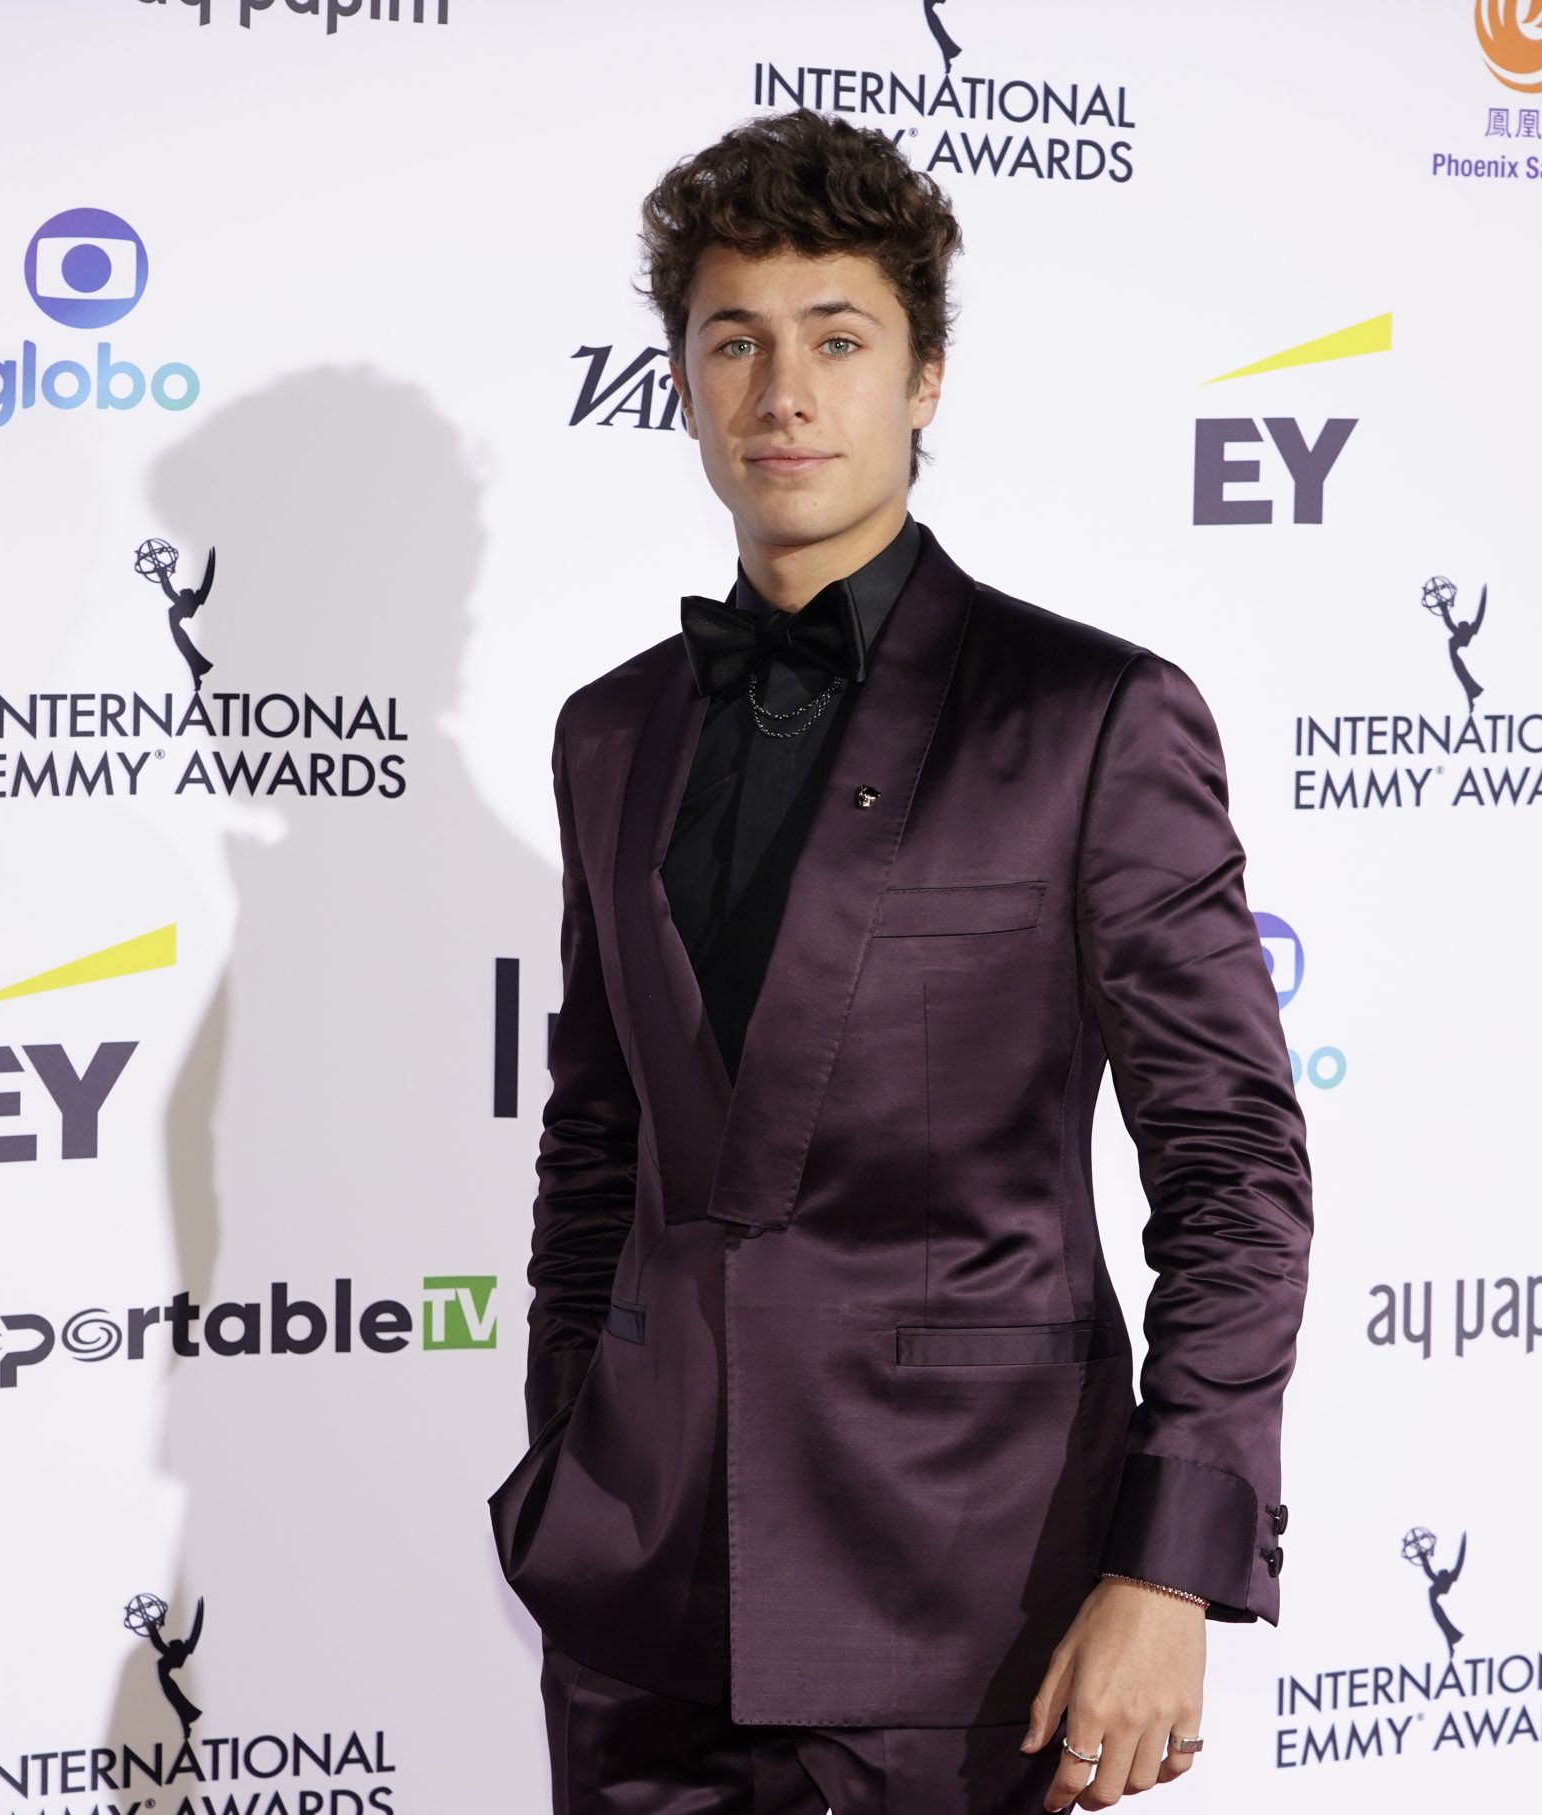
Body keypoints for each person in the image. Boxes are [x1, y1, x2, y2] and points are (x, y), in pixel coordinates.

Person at [487, 109, 1312, 1815]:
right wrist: (571, 1445)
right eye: (737, 342)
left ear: (925, 378)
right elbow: (599, 1141)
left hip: (966, 1620)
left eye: (838, 340)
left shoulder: (1091, 719)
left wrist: (1165, 1575)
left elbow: (1233, 1173)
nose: (784, 391)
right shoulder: (611, 734)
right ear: (687, 383)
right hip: (639, 1619)